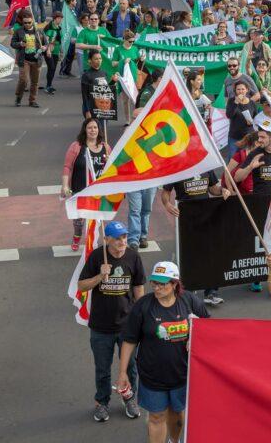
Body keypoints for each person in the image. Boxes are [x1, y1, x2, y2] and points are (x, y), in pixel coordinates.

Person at [117, 261, 208, 441]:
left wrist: (194, 338)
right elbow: (129, 340)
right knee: (156, 417)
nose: (157, 288)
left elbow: (209, 327)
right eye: (154, 283)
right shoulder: (143, 306)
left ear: (174, 284)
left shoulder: (189, 301)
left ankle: (174, 440)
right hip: (152, 375)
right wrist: (122, 372)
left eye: (162, 283)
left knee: (177, 415)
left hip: (182, 375)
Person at [76, 221, 145, 423]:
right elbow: (81, 285)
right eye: (117, 238)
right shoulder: (97, 256)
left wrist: (141, 317)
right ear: (106, 240)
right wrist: (100, 276)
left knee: (131, 366)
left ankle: (129, 397)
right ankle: (102, 402)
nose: (122, 241)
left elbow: (139, 287)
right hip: (101, 327)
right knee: (102, 368)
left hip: (127, 326)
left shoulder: (133, 256)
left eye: (124, 237)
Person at [62, 118, 111, 249]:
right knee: (79, 219)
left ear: (99, 130)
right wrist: (65, 185)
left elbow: (111, 168)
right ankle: (77, 236)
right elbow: (67, 166)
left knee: (97, 217)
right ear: (85, 129)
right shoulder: (76, 146)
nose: (92, 130)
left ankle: (94, 242)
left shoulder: (105, 147)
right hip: (80, 188)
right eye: (90, 127)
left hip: (98, 190)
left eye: (95, 127)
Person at [234, 120, 271, 197]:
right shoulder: (255, 154)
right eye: (259, 137)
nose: (259, 140)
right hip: (260, 201)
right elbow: (237, 178)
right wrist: (250, 167)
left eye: (262, 137)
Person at [11, 13, 47, 108]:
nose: (27, 24)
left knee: (35, 82)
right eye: (25, 22)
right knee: (24, 80)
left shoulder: (39, 32)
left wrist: (44, 48)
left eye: (29, 22)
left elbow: (46, 44)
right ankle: (18, 97)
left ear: (33, 21)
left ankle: (32, 100)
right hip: (24, 60)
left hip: (36, 60)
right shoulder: (19, 31)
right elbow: (12, 43)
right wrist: (20, 44)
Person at [226, 82, 257, 156]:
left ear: (247, 90)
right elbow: (229, 115)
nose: (240, 91)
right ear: (235, 91)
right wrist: (236, 102)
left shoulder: (252, 103)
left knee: (246, 158)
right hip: (235, 136)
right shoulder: (231, 101)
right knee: (232, 158)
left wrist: (252, 122)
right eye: (238, 89)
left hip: (248, 136)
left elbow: (256, 118)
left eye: (243, 89)